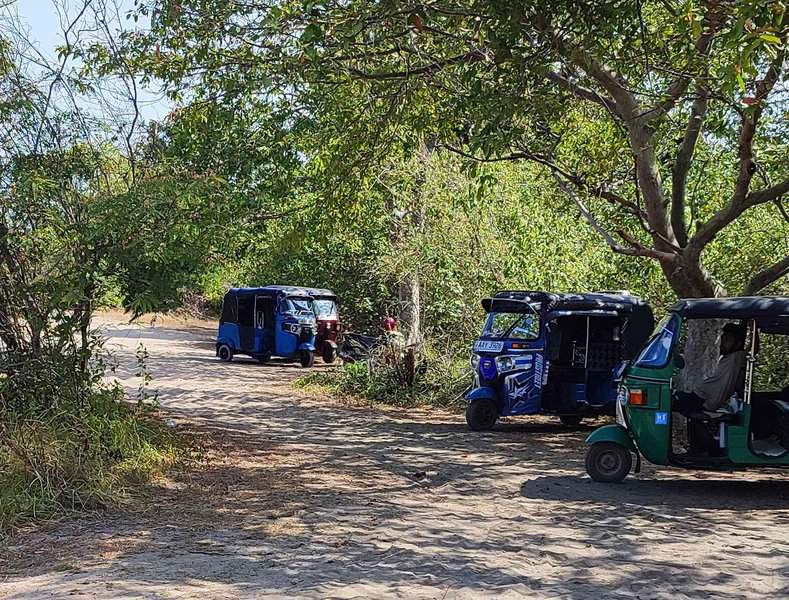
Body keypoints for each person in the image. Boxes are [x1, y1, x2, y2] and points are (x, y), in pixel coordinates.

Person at [673, 323, 747, 417]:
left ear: (738, 344)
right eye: (722, 339)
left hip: (702, 400)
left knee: (666, 400)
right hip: (698, 397)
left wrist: (754, 324)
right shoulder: (726, 358)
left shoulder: (737, 357)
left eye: (727, 340)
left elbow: (753, 349)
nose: (722, 343)